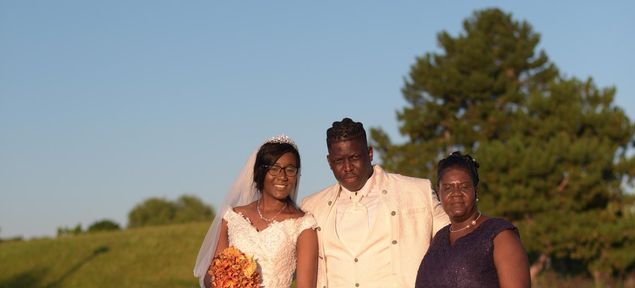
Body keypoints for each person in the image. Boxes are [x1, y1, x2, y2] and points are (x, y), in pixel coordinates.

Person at [300, 118, 450, 288]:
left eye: (354, 157)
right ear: (329, 162)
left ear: (370, 153)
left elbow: (458, 240)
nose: (348, 167)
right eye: (339, 161)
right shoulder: (312, 206)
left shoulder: (417, 192)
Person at [194, 135, 318, 288]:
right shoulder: (232, 218)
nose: (283, 176)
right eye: (274, 168)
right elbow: (211, 275)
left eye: (290, 169)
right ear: (260, 172)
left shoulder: (303, 225)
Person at [414, 152, 531, 288]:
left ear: (476, 191)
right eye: (447, 188)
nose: (456, 193)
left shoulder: (499, 235)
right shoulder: (439, 239)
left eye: (464, 186)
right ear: (439, 194)